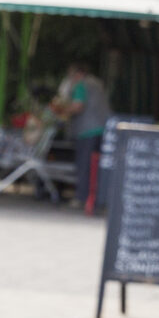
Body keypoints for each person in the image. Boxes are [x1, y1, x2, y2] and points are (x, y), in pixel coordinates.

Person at [50, 64, 111, 214]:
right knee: (99, 165)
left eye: (71, 75)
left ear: (77, 74)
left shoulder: (81, 85)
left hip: (87, 131)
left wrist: (61, 111)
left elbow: (78, 106)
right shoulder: (97, 83)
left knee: (84, 165)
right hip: (103, 128)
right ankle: (99, 198)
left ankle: (81, 198)